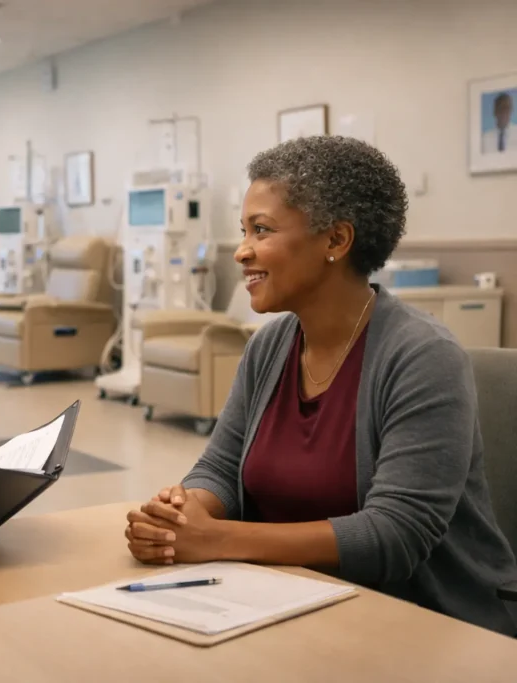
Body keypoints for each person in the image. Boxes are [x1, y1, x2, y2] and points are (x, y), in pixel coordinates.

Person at [125, 135, 517, 636]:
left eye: (261, 230)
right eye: (243, 231)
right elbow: (221, 469)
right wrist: (180, 516)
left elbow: (393, 535)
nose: (242, 251)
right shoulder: (268, 348)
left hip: (422, 626)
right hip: (287, 605)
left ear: (336, 240)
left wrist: (218, 539)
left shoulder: (422, 357)